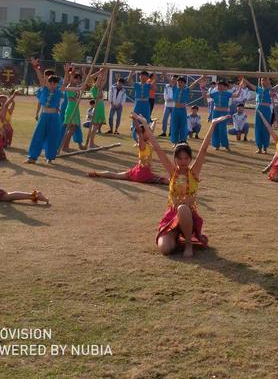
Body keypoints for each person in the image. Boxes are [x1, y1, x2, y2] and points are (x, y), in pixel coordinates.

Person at [135, 114, 230, 258]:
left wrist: (213, 125)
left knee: (183, 208)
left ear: (190, 159)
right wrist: (144, 123)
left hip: (188, 215)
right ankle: (176, 237)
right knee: (165, 249)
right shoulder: (172, 171)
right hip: (171, 216)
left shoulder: (194, 173)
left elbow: (203, 150)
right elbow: (157, 148)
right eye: (179, 158)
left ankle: (188, 245)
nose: (183, 161)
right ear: (175, 159)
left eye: (186, 158)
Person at [88, 115, 168, 185]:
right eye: (147, 132)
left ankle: (97, 173)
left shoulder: (147, 142)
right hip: (143, 173)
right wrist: (135, 119)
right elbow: (139, 132)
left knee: (117, 175)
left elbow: (149, 131)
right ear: (143, 134)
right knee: (163, 180)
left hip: (136, 171)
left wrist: (152, 122)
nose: (149, 132)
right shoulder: (142, 144)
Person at [25, 59, 71, 164]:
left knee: (53, 136)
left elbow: (65, 83)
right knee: (38, 135)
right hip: (44, 115)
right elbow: (40, 78)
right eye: (51, 83)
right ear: (48, 83)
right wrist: (36, 67)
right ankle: (32, 157)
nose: (53, 85)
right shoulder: (44, 89)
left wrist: (67, 72)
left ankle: (50, 158)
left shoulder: (59, 92)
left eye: (55, 83)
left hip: (54, 117)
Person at [241, 76, 278, 154]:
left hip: (266, 110)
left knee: (266, 128)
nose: (263, 82)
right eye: (262, 80)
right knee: (258, 128)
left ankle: (265, 148)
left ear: (268, 81)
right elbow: (249, 84)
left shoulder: (271, 90)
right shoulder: (258, 89)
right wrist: (244, 79)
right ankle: (259, 147)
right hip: (258, 110)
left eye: (265, 80)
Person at [170, 76, 204, 145]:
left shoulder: (186, 90)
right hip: (175, 110)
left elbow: (194, 83)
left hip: (182, 110)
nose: (179, 83)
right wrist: (163, 71)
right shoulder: (174, 88)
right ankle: (175, 141)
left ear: (184, 84)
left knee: (183, 125)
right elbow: (168, 79)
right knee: (174, 125)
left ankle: (183, 140)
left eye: (181, 82)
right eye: (178, 82)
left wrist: (202, 77)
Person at [60, 70, 87, 152]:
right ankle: (65, 146)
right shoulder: (71, 85)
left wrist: (84, 72)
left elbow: (86, 80)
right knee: (70, 128)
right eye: (76, 79)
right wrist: (71, 72)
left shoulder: (77, 86)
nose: (78, 80)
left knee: (72, 128)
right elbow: (71, 81)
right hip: (71, 108)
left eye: (79, 79)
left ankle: (64, 146)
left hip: (75, 109)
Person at [127, 69, 152, 142]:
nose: (143, 77)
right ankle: (137, 140)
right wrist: (131, 71)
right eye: (142, 76)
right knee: (135, 120)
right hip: (138, 104)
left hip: (146, 104)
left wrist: (152, 69)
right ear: (139, 77)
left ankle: (146, 139)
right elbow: (129, 80)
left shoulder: (148, 85)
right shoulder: (136, 84)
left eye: (145, 76)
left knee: (146, 121)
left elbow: (155, 80)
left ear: (148, 77)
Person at [87, 68, 107, 149]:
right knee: (95, 126)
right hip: (98, 106)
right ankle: (91, 144)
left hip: (100, 106)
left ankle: (92, 143)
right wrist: (101, 72)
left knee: (96, 126)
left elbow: (104, 80)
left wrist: (106, 71)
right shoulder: (95, 87)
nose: (101, 81)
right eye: (99, 80)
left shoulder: (99, 87)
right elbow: (97, 78)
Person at [0, 91, 17, 160]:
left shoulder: (4, 110)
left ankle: (3, 153)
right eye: (1, 98)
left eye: (3, 98)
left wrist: (13, 95)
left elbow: (7, 104)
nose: (2, 99)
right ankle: (2, 154)